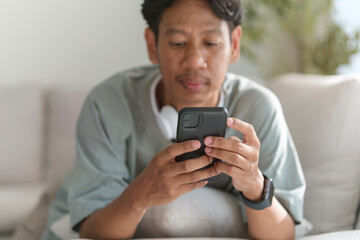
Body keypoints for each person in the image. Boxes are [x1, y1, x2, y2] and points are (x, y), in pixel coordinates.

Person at [41, 0, 306, 239]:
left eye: (211, 43)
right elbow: (92, 232)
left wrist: (255, 186)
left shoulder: (259, 107)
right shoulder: (108, 103)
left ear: (234, 44)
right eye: (178, 43)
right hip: (63, 211)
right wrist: (141, 193)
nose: (194, 61)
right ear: (151, 45)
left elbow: (284, 234)